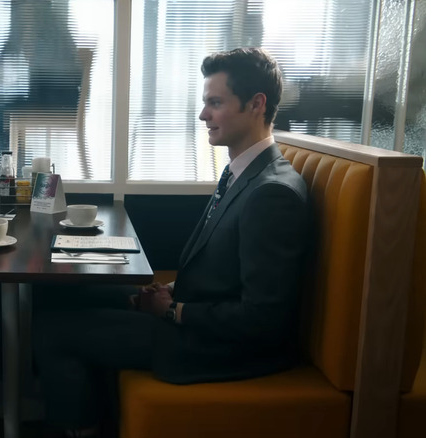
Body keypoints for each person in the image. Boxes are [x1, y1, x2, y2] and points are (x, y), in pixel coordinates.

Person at [33, 47, 311, 438]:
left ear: (256, 104)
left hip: (221, 350)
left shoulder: (273, 193)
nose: (203, 115)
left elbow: (264, 319)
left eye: (215, 103)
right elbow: (228, 270)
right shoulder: (244, 173)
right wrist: (171, 293)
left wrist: (173, 311)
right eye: (205, 103)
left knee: (54, 331)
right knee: (73, 295)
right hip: (203, 323)